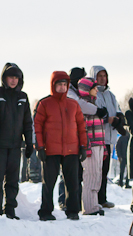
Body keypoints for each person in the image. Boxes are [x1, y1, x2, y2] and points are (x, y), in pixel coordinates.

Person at [35, 71, 87, 221]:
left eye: (65, 85)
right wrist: (39, 147)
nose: (62, 88)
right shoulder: (44, 104)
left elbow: (81, 127)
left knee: (72, 183)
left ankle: (72, 210)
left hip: (71, 149)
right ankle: (45, 211)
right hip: (51, 150)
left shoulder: (73, 104)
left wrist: (83, 146)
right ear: (53, 85)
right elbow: (37, 126)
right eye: (59, 85)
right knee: (48, 182)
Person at [0, 63, 33, 219]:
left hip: (14, 146)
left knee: (13, 181)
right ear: (4, 78)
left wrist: (29, 142)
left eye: (16, 77)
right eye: (10, 77)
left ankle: (10, 211)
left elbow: (27, 122)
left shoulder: (23, 97)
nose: (13, 80)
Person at [89, 65, 123, 209]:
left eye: (104, 76)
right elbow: (92, 115)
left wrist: (119, 117)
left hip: (108, 139)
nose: (102, 79)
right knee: (95, 171)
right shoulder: (92, 94)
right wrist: (106, 120)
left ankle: (102, 198)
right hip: (96, 138)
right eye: (99, 76)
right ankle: (92, 198)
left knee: (104, 170)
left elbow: (117, 109)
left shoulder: (111, 95)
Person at [77, 77, 105, 216]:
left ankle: (94, 203)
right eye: (94, 88)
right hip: (90, 146)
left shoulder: (94, 106)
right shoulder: (84, 109)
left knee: (97, 175)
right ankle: (89, 207)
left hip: (98, 145)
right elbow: (83, 130)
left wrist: (103, 147)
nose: (97, 90)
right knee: (90, 175)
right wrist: (85, 147)